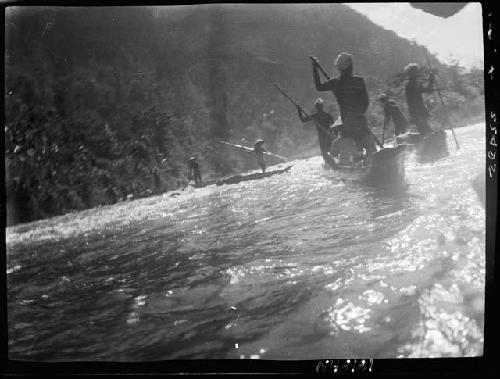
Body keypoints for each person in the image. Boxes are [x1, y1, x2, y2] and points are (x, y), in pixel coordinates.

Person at [311, 52, 377, 166]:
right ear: (351, 66)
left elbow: (319, 86)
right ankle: (367, 167)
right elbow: (365, 102)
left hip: (346, 122)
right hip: (359, 120)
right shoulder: (359, 80)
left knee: (349, 147)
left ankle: (349, 162)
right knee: (370, 148)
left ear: (339, 68)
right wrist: (358, 113)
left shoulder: (335, 83)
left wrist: (314, 67)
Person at [297, 98, 334, 164]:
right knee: (327, 152)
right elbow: (303, 120)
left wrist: (299, 110)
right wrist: (299, 110)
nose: (318, 108)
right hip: (327, 135)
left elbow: (303, 120)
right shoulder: (322, 115)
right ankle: (330, 162)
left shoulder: (318, 116)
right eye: (318, 106)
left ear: (319, 107)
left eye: (319, 106)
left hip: (326, 136)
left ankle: (330, 162)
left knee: (326, 152)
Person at [404, 63, 435, 136]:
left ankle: (430, 144)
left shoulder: (417, 83)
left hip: (420, 109)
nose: (417, 73)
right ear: (410, 73)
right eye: (415, 71)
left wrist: (431, 80)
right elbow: (425, 91)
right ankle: (428, 145)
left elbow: (428, 91)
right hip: (415, 111)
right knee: (425, 131)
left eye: (417, 71)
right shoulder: (409, 85)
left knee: (427, 131)